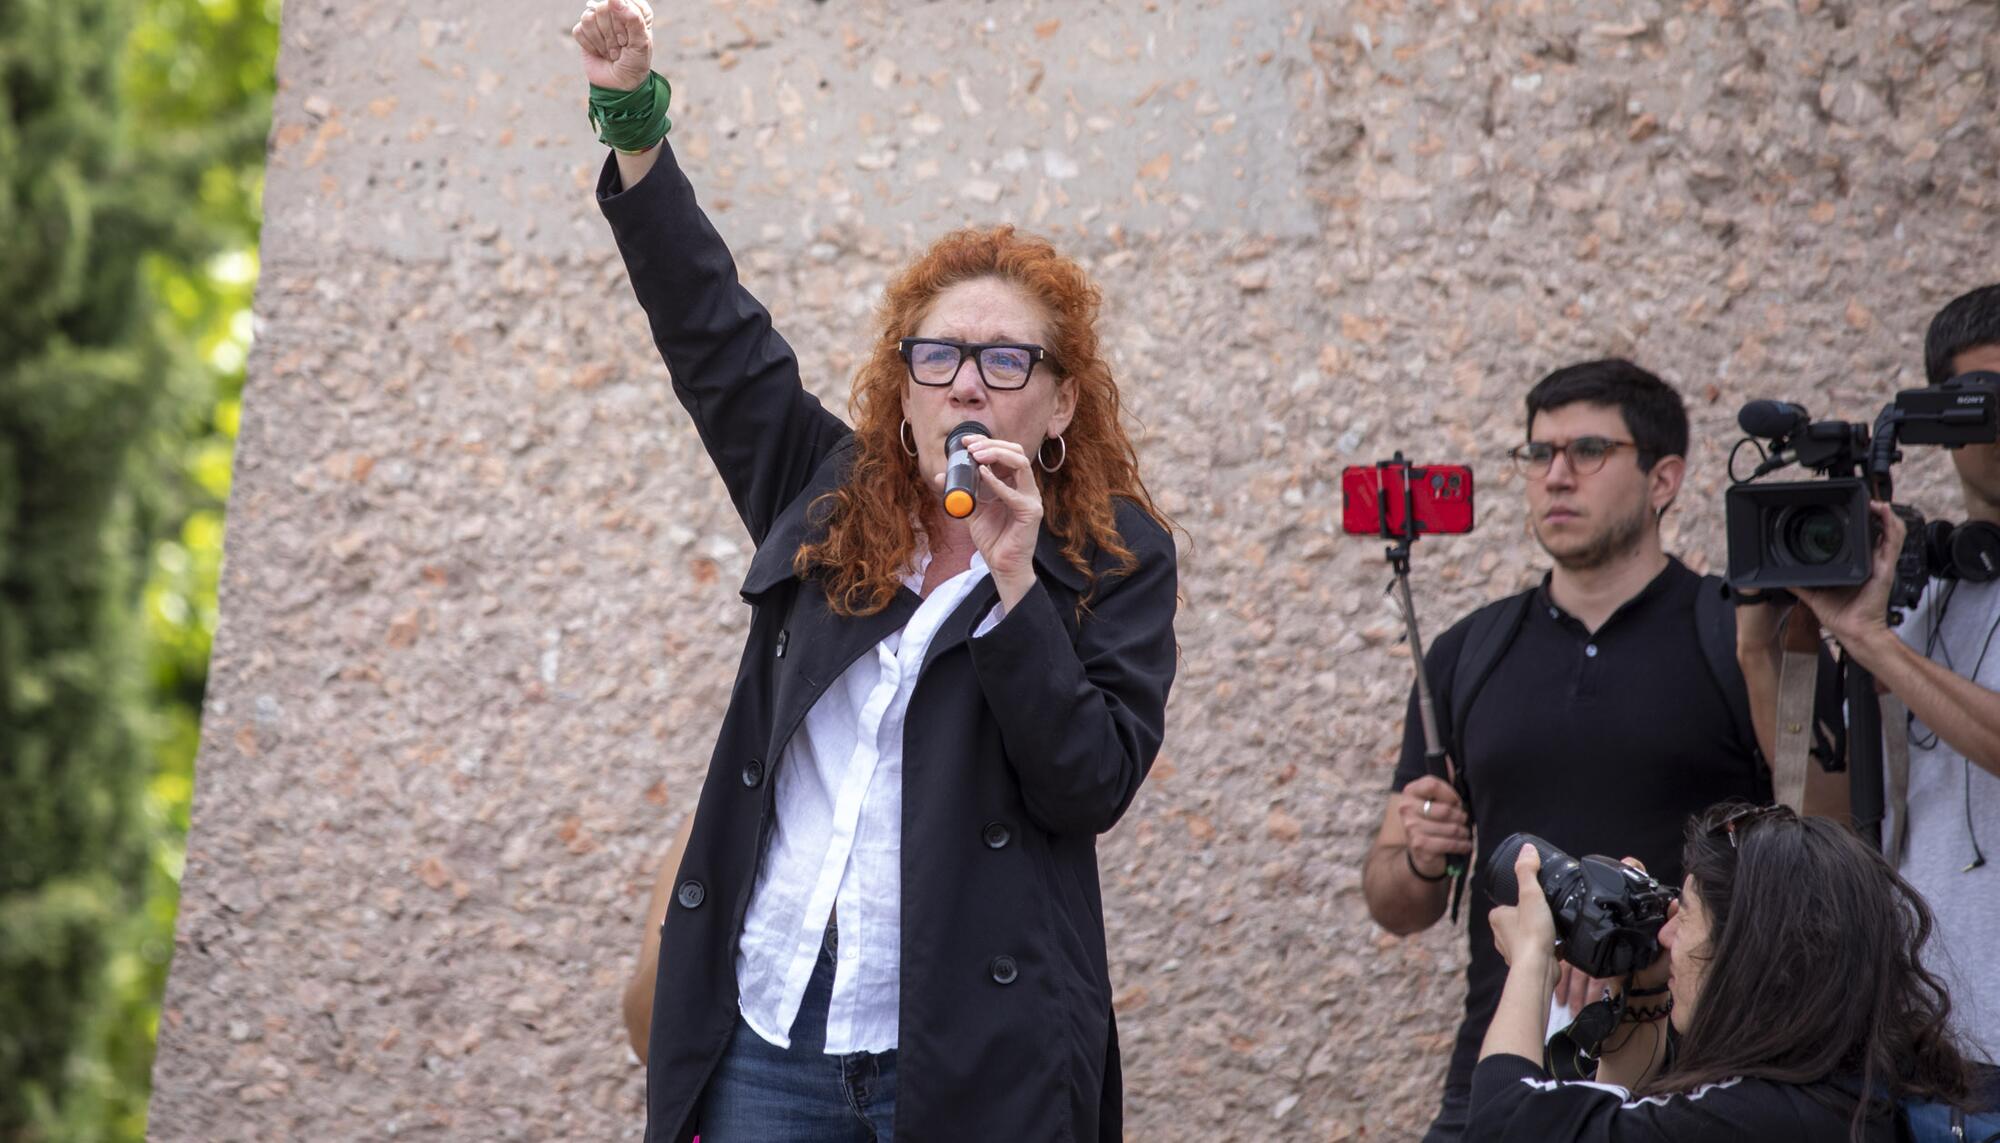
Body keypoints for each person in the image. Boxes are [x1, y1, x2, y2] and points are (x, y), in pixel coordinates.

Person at [573, 2, 1179, 1140]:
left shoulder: (1113, 555)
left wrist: (1011, 585)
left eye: (1005, 360)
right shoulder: (825, 491)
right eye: (937, 355)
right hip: (772, 1038)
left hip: (965, 1061)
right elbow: (710, 332)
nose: (965, 383)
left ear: (1055, 405)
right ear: (899, 390)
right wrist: (632, 117)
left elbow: (1087, 783)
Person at [1361, 359, 1771, 1141]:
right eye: (1537, 453)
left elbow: (1817, 839)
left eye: (1587, 451)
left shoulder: (1734, 634)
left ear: (1664, 478)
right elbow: (1395, 901)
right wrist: (1418, 855)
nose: (1555, 476)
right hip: (1503, 1073)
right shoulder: (1467, 650)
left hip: (1695, 1079)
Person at [1737, 283, 2000, 1119]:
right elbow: (1814, 803)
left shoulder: (1896, 629)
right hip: (1931, 1064)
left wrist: (1876, 643)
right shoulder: (1926, 595)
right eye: (1978, 401)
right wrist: (1770, 652)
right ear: (1939, 417)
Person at [1472, 802, 1979, 1141]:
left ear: (1748, 948)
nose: (1666, 938)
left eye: (1686, 913)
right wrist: (1644, 993)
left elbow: (1501, 1127)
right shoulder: (1853, 1086)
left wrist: (1534, 961)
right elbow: (1617, 1115)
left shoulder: (1761, 1116)